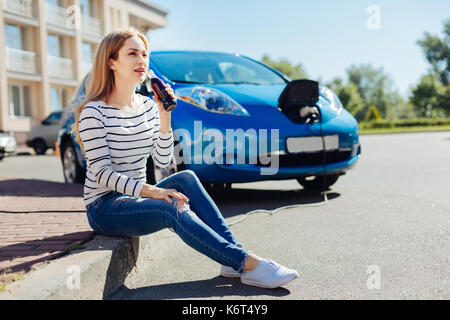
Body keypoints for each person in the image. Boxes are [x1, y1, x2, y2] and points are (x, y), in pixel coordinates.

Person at [71, 27, 298, 289]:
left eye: (144, 54)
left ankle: (231, 258)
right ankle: (248, 263)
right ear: (112, 62)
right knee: (171, 207)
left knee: (186, 177)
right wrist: (151, 192)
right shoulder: (94, 111)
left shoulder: (146, 106)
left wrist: (164, 114)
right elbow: (100, 173)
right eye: (132, 54)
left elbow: (163, 158)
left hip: (137, 195)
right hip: (105, 206)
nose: (141, 60)